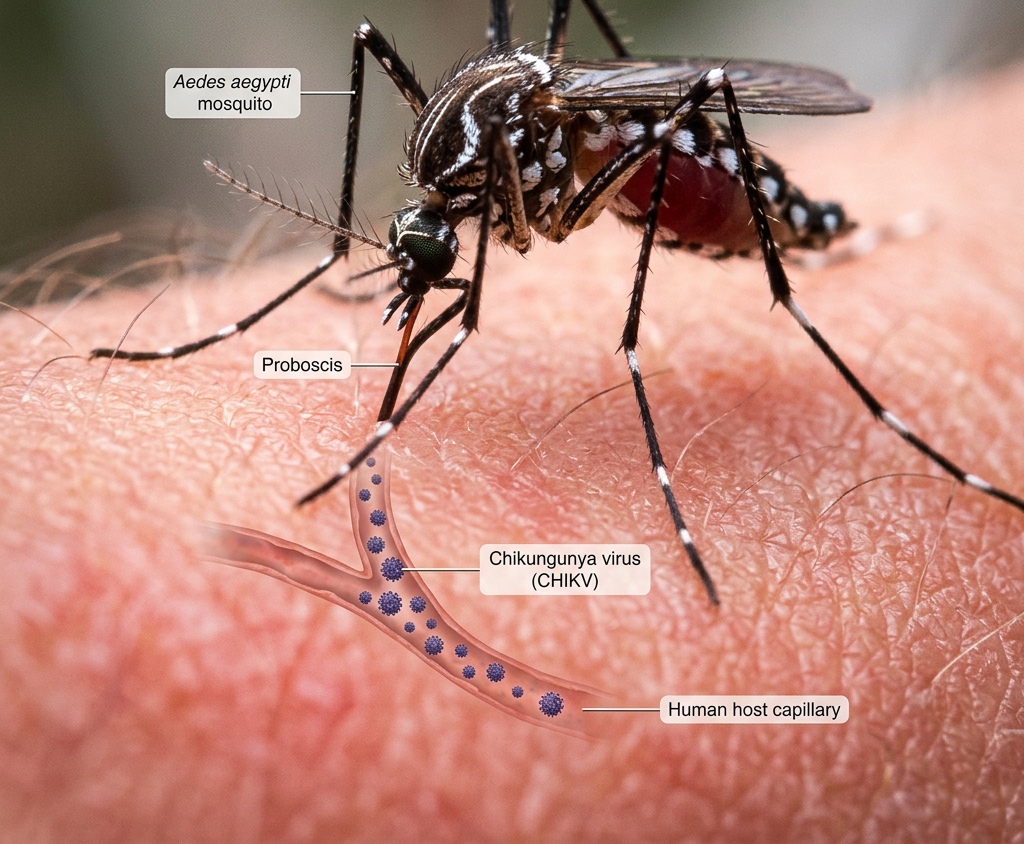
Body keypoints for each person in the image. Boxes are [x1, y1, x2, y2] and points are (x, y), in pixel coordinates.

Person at [3, 68, 1023, 840]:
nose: (427, 275)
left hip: (683, 168)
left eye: (428, 260)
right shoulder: (449, 184)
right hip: (593, 154)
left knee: (691, 95)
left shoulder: (497, 181)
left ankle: (847, 371)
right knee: (381, 44)